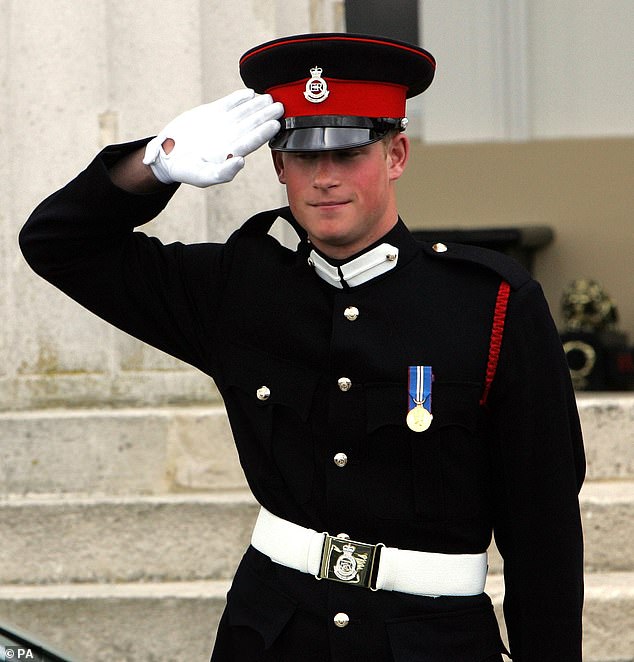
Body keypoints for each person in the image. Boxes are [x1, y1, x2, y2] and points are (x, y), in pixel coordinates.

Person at [20, 33, 585, 662]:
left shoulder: (493, 305)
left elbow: (545, 536)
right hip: (271, 634)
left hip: (432, 640)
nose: (324, 177)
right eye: (301, 153)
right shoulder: (242, 287)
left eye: (348, 151)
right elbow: (56, 243)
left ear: (396, 154)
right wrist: (156, 161)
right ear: (277, 164)